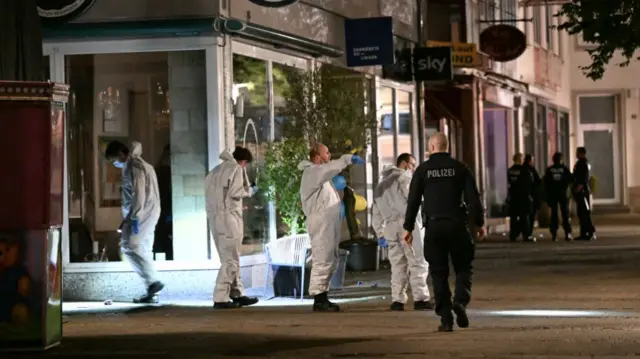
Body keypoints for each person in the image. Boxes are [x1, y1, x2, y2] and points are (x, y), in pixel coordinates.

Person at [403, 132, 485, 332]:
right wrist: (479, 223)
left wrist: (407, 228)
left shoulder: (422, 170)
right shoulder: (460, 168)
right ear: (446, 146)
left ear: (431, 147)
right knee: (464, 267)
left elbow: (413, 201)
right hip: (457, 226)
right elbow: (473, 198)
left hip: (434, 227)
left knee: (439, 273)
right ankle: (460, 302)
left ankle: (446, 317)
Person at [298, 143, 365, 312]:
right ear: (318, 157)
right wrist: (346, 159)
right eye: (326, 153)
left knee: (329, 258)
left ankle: (323, 295)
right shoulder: (313, 171)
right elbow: (330, 168)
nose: (329, 156)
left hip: (326, 222)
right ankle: (319, 299)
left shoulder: (319, 174)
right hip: (321, 223)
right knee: (323, 258)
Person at [105, 141, 164, 303]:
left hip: (143, 213)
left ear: (121, 154)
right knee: (143, 248)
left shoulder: (135, 166)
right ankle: (152, 292)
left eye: (113, 160)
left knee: (128, 246)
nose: (114, 164)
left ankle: (152, 282)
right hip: (144, 212)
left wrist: (135, 217)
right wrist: (127, 219)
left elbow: (139, 194)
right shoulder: (138, 165)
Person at [371, 153, 432, 312]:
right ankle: (421, 299)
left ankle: (397, 300)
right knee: (417, 262)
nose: (413, 168)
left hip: (390, 229)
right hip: (407, 226)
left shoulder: (380, 186)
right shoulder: (404, 179)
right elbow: (414, 202)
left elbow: (376, 214)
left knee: (398, 265)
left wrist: (380, 234)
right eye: (412, 164)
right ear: (404, 164)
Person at [205, 147, 260, 309]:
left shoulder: (215, 171)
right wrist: (250, 190)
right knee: (230, 259)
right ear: (243, 161)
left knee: (230, 257)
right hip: (229, 219)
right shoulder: (235, 168)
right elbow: (236, 192)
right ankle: (220, 297)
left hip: (215, 219)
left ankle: (237, 293)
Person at [544, 152, 573, 242]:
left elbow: (546, 182)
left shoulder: (549, 170)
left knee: (554, 214)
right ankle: (567, 233)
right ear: (560, 160)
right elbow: (571, 179)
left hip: (553, 194)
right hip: (563, 194)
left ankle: (554, 234)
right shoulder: (564, 169)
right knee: (565, 213)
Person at [507, 153, 535, 243]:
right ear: (520, 160)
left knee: (514, 217)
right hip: (523, 196)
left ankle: (512, 236)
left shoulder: (510, 170)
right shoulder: (525, 170)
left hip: (513, 196)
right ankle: (526, 236)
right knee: (524, 216)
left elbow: (509, 182)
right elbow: (529, 183)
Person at [572, 147, 596, 241]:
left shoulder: (583, 163)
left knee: (585, 212)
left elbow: (584, 177)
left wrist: (579, 187)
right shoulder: (580, 163)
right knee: (581, 213)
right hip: (580, 190)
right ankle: (584, 233)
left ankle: (590, 232)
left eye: (577, 152)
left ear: (581, 153)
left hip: (582, 191)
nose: (576, 154)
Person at [524, 154, 542, 237]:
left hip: (523, 195)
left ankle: (525, 233)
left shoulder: (522, 168)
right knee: (531, 215)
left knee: (524, 215)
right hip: (531, 195)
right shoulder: (531, 169)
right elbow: (538, 181)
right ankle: (528, 233)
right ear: (530, 161)